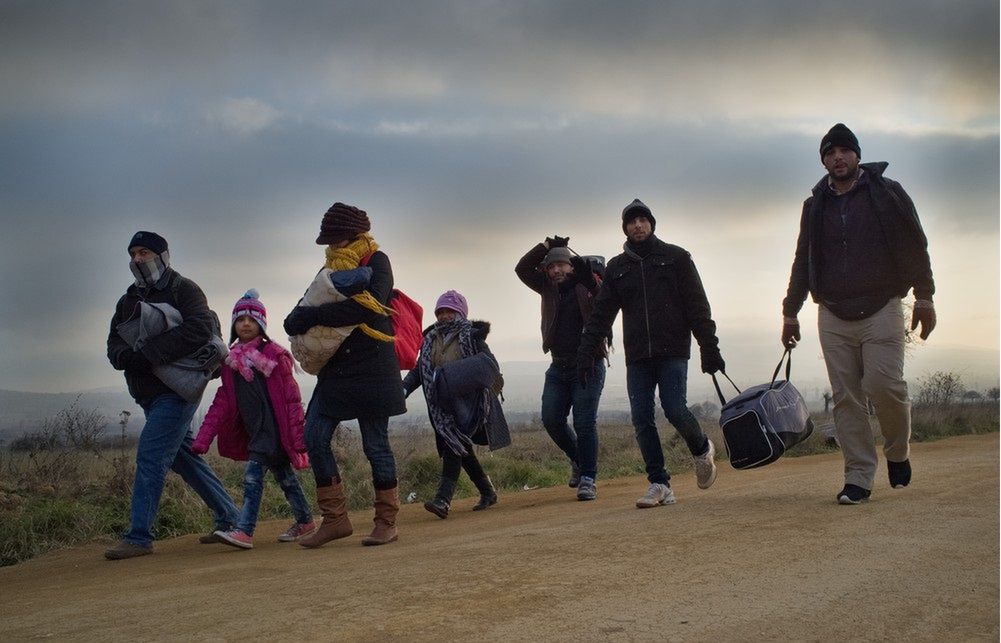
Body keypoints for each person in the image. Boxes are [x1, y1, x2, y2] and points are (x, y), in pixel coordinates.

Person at [781, 123, 936, 505]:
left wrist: (924, 296)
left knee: (885, 386)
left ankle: (897, 451)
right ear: (823, 161)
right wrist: (790, 312)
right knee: (847, 398)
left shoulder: (887, 193)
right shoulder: (814, 205)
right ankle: (858, 477)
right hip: (832, 312)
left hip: (882, 305)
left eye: (844, 151)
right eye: (829, 153)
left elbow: (915, 244)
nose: (837, 157)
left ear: (857, 154)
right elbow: (804, 259)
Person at [577, 200, 723, 508]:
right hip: (638, 355)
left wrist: (709, 347)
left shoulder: (676, 258)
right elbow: (601, 315)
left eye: (643, 220)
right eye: (632, 222)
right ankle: (659, 483)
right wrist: (586, 352)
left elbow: (698, 306)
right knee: (641, 417)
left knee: (674, 408)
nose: (638, 225)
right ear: (625, 229)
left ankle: (701, 448)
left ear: (652, 224)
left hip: (673, 350)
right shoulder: (617, 267)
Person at [105, 231, 239, 559]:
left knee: (150, 456)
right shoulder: (127, 301)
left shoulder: (184, 289)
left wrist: (149, 354)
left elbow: (198, 329)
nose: (137, 259)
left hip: (178, 392)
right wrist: (127, 357)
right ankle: (232, 517)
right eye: (133, 253)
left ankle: (139, 537)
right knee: (183, 457)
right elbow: (113, 344)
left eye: (144, 252)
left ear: (163, 256)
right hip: (147, 395)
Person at [283, 203, 406, 547]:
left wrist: (313, 317)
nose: (333, 245)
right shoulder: (331, 266)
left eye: (337, 238)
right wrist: (299, 318)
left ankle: (386, 522)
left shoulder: (377, 261)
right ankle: (335, 520)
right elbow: (306, 304)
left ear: (353, 234)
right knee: (314, 436)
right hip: (337, 369)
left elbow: (372, 305)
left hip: (372, 367)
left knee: (375, 445)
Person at [190, 290, 314, 549]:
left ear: (262, 324)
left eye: (252, 319)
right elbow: (221, 403)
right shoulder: (231, 362)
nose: (245, 323)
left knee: (252, 478)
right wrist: (202, 439)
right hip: (256, 433)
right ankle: (305, 521)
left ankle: (244, 530)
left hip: (275, 433)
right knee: (286, 479)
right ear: (234, 325)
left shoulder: (275, 357)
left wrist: (298, 436)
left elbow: (292, 400)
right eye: (240, 319)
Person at [515, 237, 607, 501]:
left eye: (561, 265)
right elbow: (522, 268)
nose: (556, 270)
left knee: (584, 422)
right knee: (551, 419)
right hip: (558, 365)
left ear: (571, 265)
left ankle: (588, 478)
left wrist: (588, 277)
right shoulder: (546, 287)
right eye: (551, 266)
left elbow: (605, 298)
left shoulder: (588, 283)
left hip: (588, 364)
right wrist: (544, 245)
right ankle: (578, 459)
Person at [403, 291, 508, 518]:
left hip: (470, 404)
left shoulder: (472, 336)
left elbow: (489, 365)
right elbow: (420, 371)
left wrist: (456, 376)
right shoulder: (430, 340)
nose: (444, 316)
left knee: (454, 444)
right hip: (442, 405)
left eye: (449, 311)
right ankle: (487, 491)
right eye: (440, 311)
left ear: (460, 312)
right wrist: (403, 388)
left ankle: (443, 499)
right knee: (462, 447)